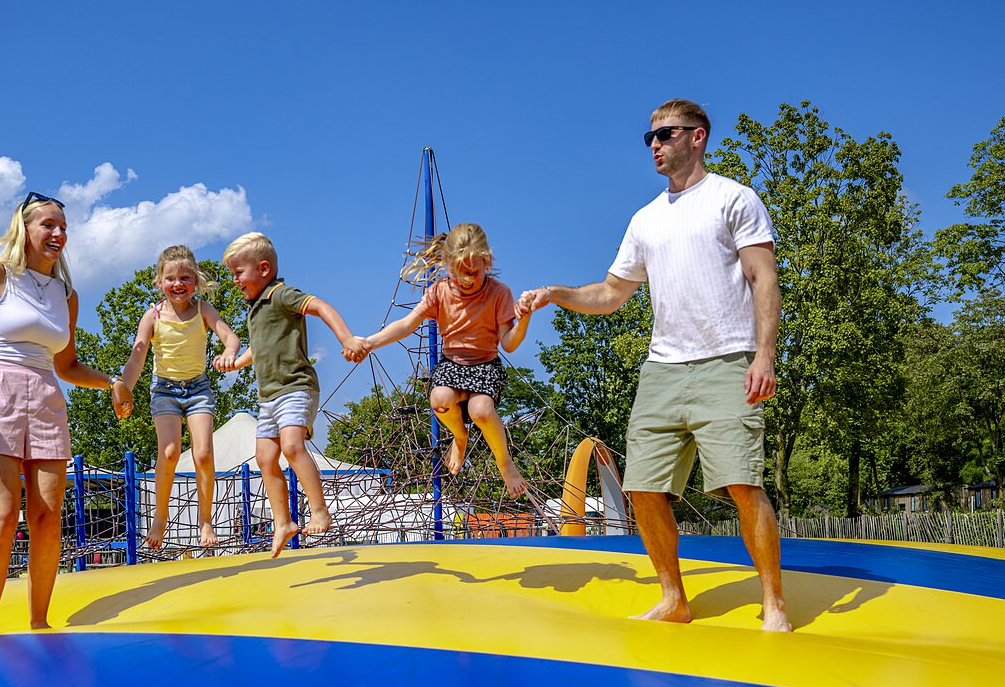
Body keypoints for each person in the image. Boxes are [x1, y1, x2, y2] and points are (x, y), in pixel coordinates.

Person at [518, 99, 793, 632]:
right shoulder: (644, 220)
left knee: (741, 483)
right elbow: (611, 293)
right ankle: (674, 598)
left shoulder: (733, 199)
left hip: (728, 360)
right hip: (663, 369)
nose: (655, 145)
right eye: (649, 138)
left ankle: (774, 603)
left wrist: (764, 355)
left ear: (698, 137)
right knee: (642, 488)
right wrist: (557, 293)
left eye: (665, 134)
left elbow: (765, 279)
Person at [0, 192, 127, 634]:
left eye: (63, 227)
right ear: (25, 229)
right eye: (48, 225)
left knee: (47, 517)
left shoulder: (67, 294)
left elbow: (66, 365)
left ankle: (40, 621)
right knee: (4, 514)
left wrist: (111, 382)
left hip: (45, 398)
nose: (58, 233)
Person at [219, 232, 368, 558]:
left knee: (290, 446)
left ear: (262, 268)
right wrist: (235, 362)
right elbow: (256, 350)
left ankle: (319, 511)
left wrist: (346, 338)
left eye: (238, 273)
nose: (235, 280)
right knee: (264, 458)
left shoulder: (280, 294)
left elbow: (320, 306)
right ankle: (283, 522)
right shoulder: (255, 309)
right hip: (269, 397)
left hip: (296, 387)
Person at [363, 223, 532, 498]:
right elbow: (406, 325)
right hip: (451, 365)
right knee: (439, 398)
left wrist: (523, 319)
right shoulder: (439, 291)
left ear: (486, 261)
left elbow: (510, 344)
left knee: (481, 411)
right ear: (447, 265)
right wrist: (370, 342)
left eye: (473, 273)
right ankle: (459, 436)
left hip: (485, 367)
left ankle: (505, 462)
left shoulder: (499, 293)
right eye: (459, 274)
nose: (467, 280)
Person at [111, 245, 242, 549]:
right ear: (159, 282)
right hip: (165, 390)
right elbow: (137, 355)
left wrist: (230, 351)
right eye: (170, 278)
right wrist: (125, 388)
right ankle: (160, 517)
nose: (178, 284)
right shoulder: (152, 316)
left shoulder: (202, 310)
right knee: (169, 452)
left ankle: (206, 519)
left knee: (204, 453)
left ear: (195, 281)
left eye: (185, 277)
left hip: (198, 389)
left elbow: (229, 335)